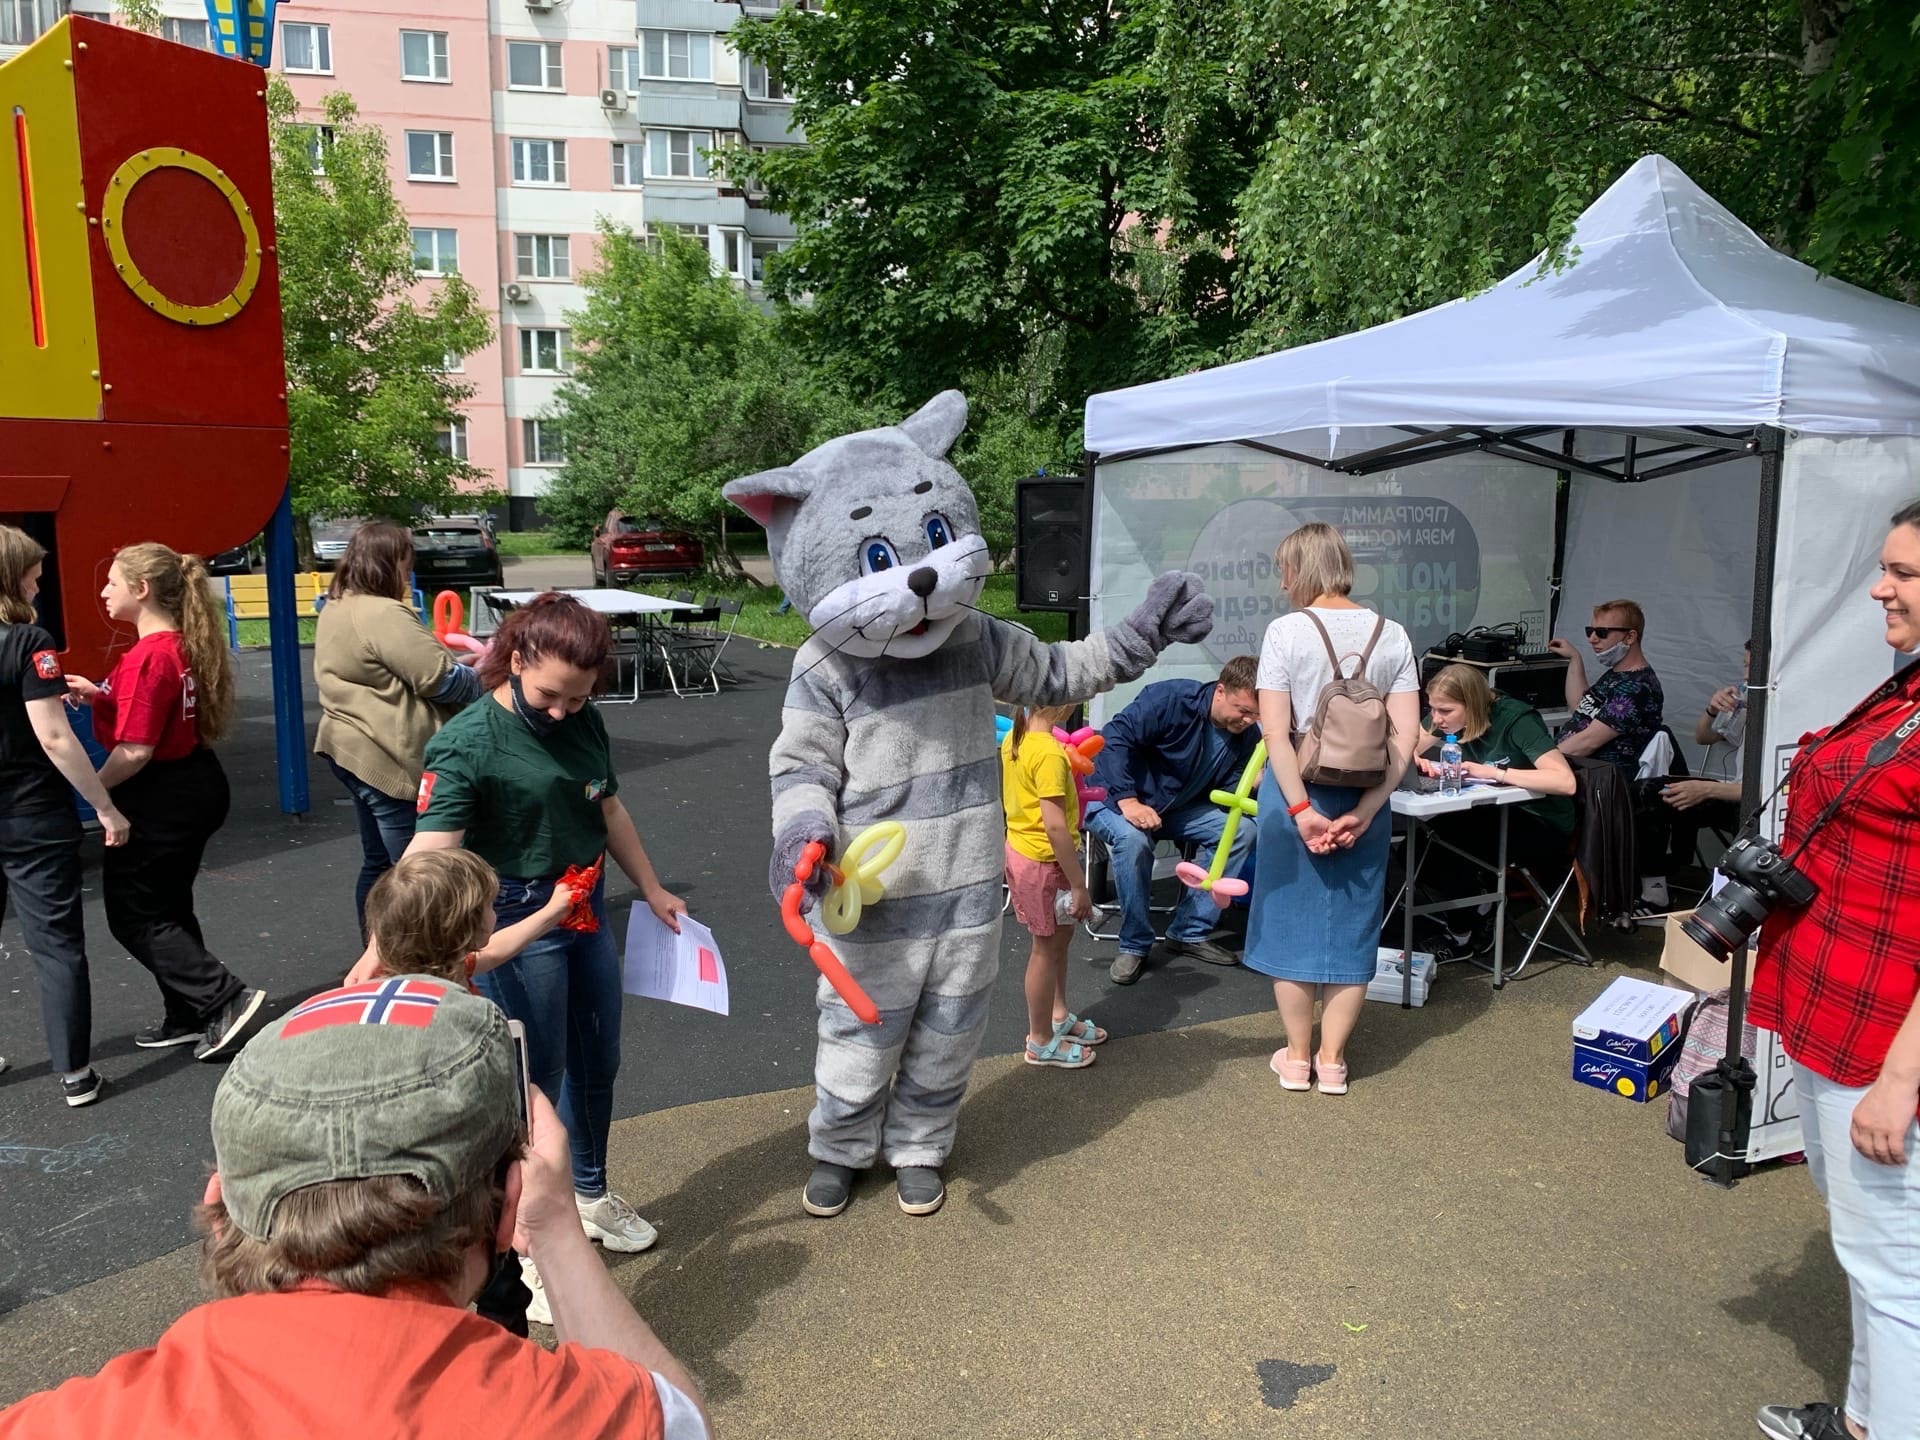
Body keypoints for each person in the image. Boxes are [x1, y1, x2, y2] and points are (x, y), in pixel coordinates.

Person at [0, 982, 710, 1440]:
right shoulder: (561, 1414)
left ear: (218, 1203)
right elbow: (681, 1421)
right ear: (507, 1208)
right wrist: (553, 1226)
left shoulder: (70, 1421)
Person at [401, 593, 687, 1307]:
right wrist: (385, 949)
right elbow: (428, 855)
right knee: (537, 1083)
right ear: (517, 656)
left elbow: (607, 807)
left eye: (580, 697)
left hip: (581, 903)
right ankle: (527, 1233)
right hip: (519, 916)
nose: (564, 711)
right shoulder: (468, 742)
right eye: (551, 695)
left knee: (598, 1059)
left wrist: (651, 887)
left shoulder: (583, 718)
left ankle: (589, 1194)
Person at [1749, 501, 1920, 1440]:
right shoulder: (1908, 687)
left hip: (1886, 1039)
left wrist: (1901, 1083)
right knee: (1871, 1258)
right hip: (1837, 1009)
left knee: (1898, 1277)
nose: (1878, 586)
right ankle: (1860, 1420)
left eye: (1903, 573)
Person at [63, 543, 264, 1062]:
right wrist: (101, 693)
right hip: (192, 782)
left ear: (142, 590)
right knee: (167, 906)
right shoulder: (176, 645)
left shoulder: (149, 656)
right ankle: (188, 1012)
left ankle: (223, 997)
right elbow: (153, 710)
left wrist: (94, 795)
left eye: (112, 581)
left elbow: (136, 750)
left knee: (133, 914)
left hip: (162, 792)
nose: (104, 591)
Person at [1244, 523, 1420, 1096]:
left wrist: (1300, 810)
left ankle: (1296, 1060)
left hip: (1298, 791)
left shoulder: (1286, 632)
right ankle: (1334, 1062)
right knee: (1354, 925)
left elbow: (1274, 732)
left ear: (1298, 569)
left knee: (1293, 928)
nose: (1281, 580)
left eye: (1283, 569)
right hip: (1366, 794)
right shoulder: (1392, 634)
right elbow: (1405, 739)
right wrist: (1368, 811)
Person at [0, 527, 130, 1107]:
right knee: (54, 944)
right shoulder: (29, 642)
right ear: (11, 577)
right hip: (30, 815)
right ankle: (76, 1074)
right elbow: (53, 737)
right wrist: (104, 805)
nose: (39, 579)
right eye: (32, 570)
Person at [314, 521, 482, 936]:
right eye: (406, 565)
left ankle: (373, 949)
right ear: (389, 563)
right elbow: (438, 680)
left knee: (379, 864)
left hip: (351, 747)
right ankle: (410, 957)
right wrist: (488, 674)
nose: (409, 574)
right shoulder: (383, 612)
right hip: (388, 756)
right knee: (416, 872)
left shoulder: (338, 604)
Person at [1082, 656, 1263, 984]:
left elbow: (1224, 793)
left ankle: (1189, 932)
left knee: (1241, 831)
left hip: (1173, 808)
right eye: (1243, 710)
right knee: (1132, 840)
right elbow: (1113, 740)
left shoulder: (1246, 737)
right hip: (1111, 797)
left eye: (1255, 715)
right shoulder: (1171, 700)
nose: (1249, 720)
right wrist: (1128, 800)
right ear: (1220, 691)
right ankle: (1135, 944)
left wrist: (1249, 785)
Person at [1408, 664, 1576, 959]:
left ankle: (1463, 933)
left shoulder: (1517, 720)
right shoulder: (1446, 715)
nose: (1436, 718)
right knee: (1418, 848)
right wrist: (1411, 758)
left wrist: (1494, 773)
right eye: (1432, 709)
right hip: (1493, 812)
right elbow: (1407, 746)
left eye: (1444, 711)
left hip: (1541, 819)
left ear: (1471, 704)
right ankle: (1481, 907)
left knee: (1448, 849)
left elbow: (1564, 781)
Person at [1001, 703, 1104, 1069]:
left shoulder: (1020, 737)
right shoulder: (1048, 753)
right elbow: (1055, 826)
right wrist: (1079, 885)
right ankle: (1040, 1040)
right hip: (1044, 863)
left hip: (1028, 855)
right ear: (1061, 703)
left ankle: (1057, 1016)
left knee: (1058, 942)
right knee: (1045, 950)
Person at [1548, 598, 1665, 769]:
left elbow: (1588, 742)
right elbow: (1582, 709)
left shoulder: (1636, 687)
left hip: (1597, 784)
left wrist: (1539, 763)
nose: (1592, 639)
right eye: (1590, 631)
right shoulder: (1618, 674)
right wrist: (1574, 658)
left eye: (1602, 632)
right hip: (1576, 771)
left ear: (1630, 637)